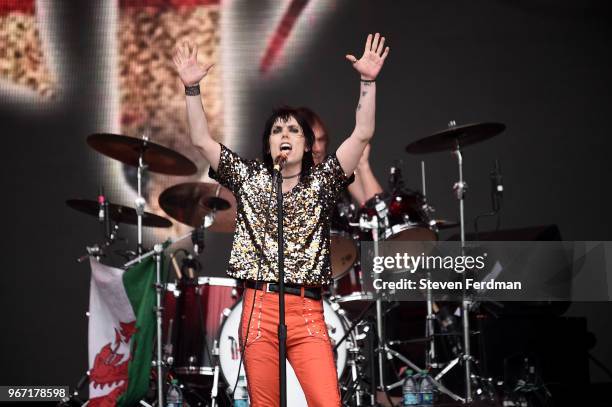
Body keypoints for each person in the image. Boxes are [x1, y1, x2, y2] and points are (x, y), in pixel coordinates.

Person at [173, 33, 390, 407]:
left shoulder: (323, 182)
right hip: (259, 309)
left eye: (293, 130)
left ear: (307, 145)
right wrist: (192, 89)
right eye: (277, 130)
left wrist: (367, 82)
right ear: (268, 144)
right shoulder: (249, 177)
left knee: (327, 402)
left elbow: (363, 133)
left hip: (307, 312)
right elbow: (200, 139)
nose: (284, 135)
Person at [298, 107, 383, 207]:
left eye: (321, 139)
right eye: (311, 142)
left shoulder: (335, 168)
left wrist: (363, 165)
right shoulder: (284, 181)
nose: (318, 148)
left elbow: (379, 209)